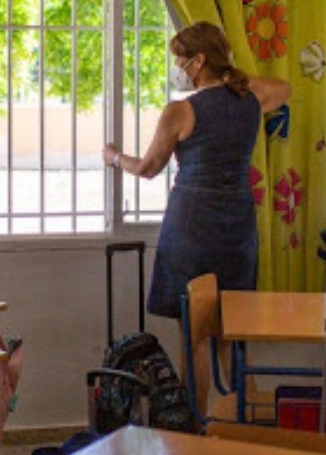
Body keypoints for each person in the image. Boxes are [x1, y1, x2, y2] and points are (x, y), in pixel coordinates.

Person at [102, 22, 291, 318]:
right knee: (233, 322)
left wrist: (114, 157)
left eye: (180, 59)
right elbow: (284, 87)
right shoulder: (251, 100)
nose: (178, 67)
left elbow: (147, 168)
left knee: (193, 328)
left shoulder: (180, 111)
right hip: (238, 224)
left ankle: (194, 367)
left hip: (192, 224)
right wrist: (232, 79)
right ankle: (232, 368)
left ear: (199, 60)